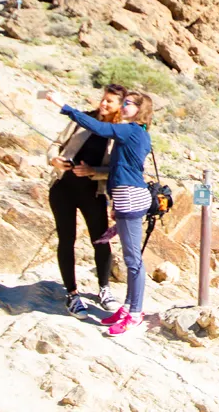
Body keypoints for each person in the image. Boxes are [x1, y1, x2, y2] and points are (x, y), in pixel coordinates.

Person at [43, 88, 154, 336]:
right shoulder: (134, 131)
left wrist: (63, 105)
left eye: (127, 103)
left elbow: (100, 130)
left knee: (132, 261)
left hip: (125, 196)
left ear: (140, 109)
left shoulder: (128, 130)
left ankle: (134, 313)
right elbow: (120, 167)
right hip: (120, 198)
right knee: (128, 258)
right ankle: (126, 308)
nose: (122, 105)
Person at [47, 84, 126, 318]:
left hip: (94, 192)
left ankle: (104, 288)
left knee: (100, 241)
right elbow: (55, 145)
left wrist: (93, 171)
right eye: (103, 99)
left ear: (119, 106)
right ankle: (72, 294)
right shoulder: (83, 119)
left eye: (110, 101)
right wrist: (54, 160)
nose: (103, 104)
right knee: (66, 239)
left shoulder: (119, 131)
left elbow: (118, 168)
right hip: (63, 186)